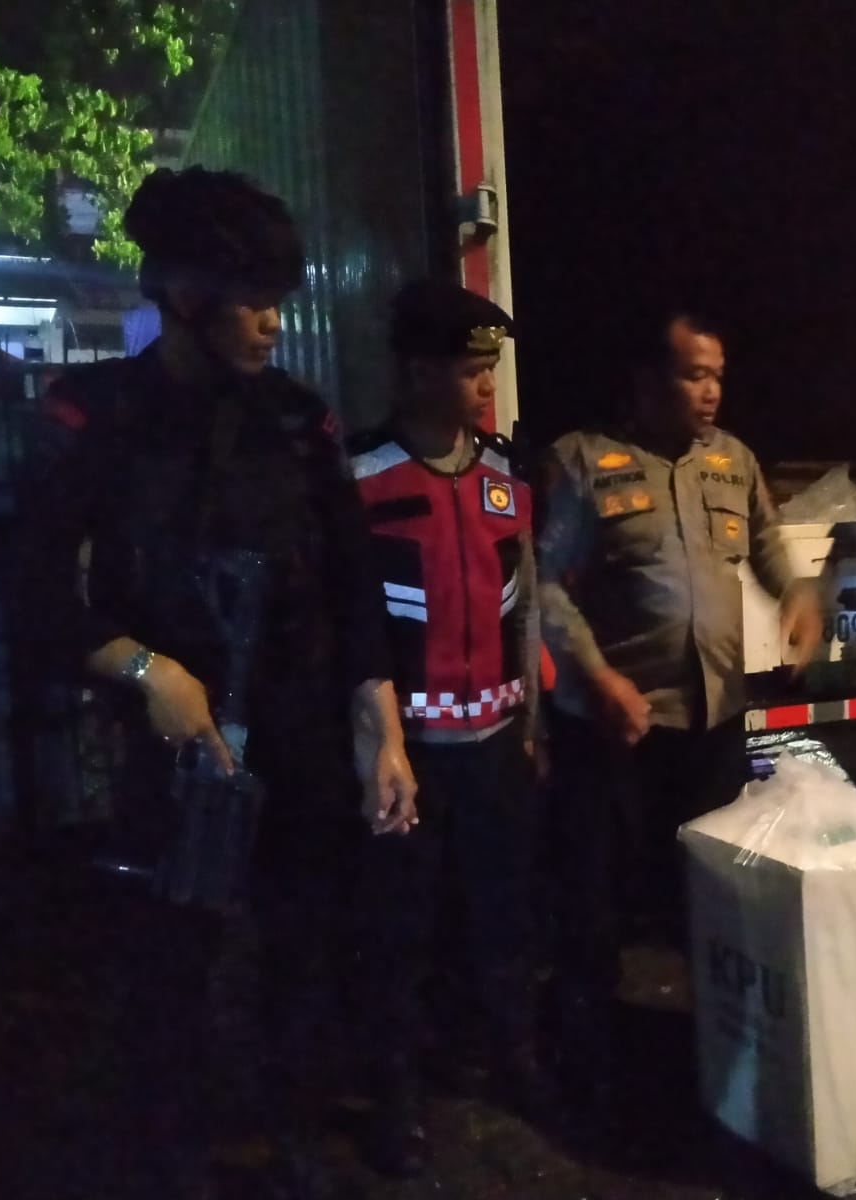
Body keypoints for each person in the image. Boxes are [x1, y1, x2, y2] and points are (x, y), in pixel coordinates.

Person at [15, 166, 417, 1199]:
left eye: (277, 300)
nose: (273, 323)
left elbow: (352, 582)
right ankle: (173, 1153)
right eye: (252, 301)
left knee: (302, 946)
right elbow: (34, 593)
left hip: (298, 730)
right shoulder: (97, 415)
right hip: (174, 745)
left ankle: (288, 1129)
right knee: (171, 968)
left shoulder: (297, 420)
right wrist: (145, 671)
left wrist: (382, 727)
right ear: (187, 297)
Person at [536, 310, 822, 1116]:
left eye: (718, 376)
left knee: (707, 897)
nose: (711, 391)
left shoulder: (733, 460)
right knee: (597, 901)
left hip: (712, 719)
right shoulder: (581, 461)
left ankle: (709, 1048)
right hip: (617, 725)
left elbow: (768, 547)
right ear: (646, 381)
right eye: (695, 375)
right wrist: (598, 676)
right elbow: (543, 585)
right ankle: (588, 1063)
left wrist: (798, 596)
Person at [346, 280, 548, 1174]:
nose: (487, 386)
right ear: (420, 372)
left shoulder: (507, 474)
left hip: (496, 748)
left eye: (491, 369)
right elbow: (347, 626)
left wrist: (532, 728)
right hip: (408, 756)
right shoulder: (360, 477)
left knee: (503, 918)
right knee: (398, 934)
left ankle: (512, 1058)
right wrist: (368, 745)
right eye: (472, 370)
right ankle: (394, 1098)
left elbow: (527, 604)